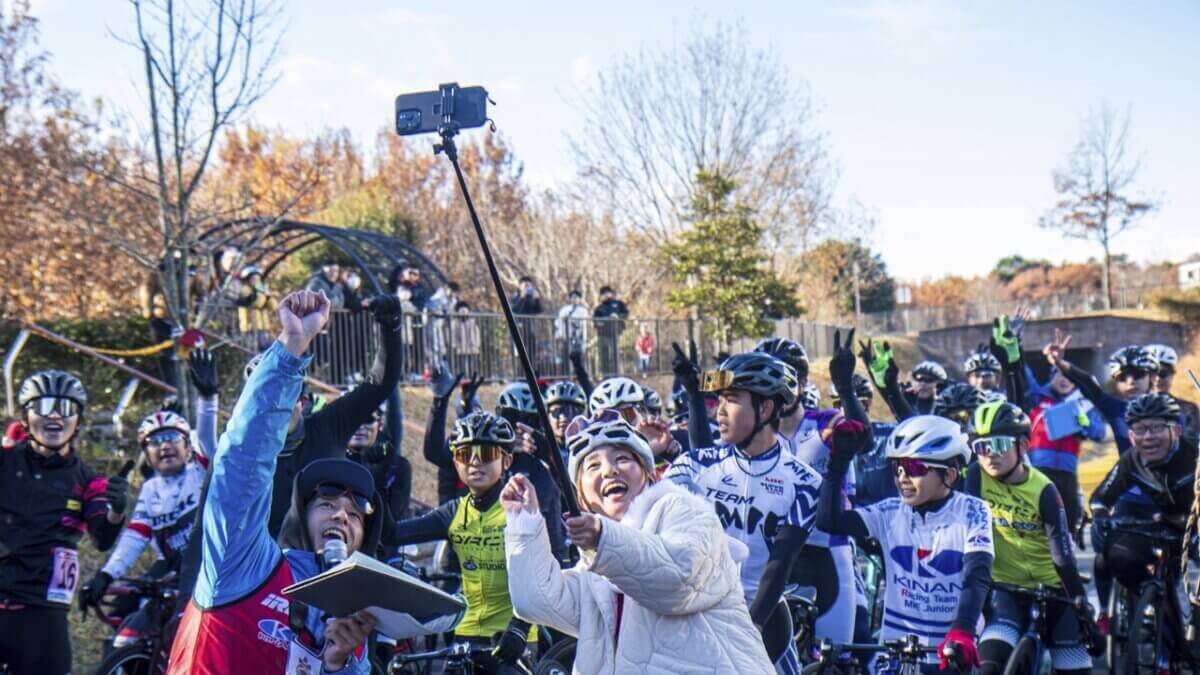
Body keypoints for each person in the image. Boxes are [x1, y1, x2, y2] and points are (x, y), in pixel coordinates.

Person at [167, 289, 457, 674]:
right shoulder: (240, 565)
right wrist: (292, 346)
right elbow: (242, 460)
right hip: (258, 558)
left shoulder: (346, 619)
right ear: (300, 514)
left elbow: (379, 385)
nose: (341, 515)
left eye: (356, 514)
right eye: (327, 503)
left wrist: (339, 663)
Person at [501, 412, 774, 674]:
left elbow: (677, 578)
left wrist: (603, 539)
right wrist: (524, 522)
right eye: (593, 466)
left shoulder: (682, 509)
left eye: (622, 458)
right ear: (581, 498)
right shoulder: (596, 569)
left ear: (649, 474)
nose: (609, 470)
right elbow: (533, 601)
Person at [665, 352, 820, 674]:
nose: (719, 411)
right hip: (698, 618)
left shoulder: (804, 482)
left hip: (764, 621)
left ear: (765, 409)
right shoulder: (693, 465)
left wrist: (750, 630)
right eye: (719, 400)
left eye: (732, 400)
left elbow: (780, 564)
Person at [816, 415, 991, 673]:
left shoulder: (973, 511)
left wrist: (963, 629)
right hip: (896, 651)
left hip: (952, 648)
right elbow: (830, 522)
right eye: (897, 467)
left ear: (950, 474)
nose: (902, 477)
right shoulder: (889, 512)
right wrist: (838, 463)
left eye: (915, 468)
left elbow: (977, 575)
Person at [0, 370, 129, 674]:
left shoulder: (88, 481)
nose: (55, 415)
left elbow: (102, 538)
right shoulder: (5, 461)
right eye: (44, 406)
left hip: (44, 612)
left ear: (78, 420)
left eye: (66, 407)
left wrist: (117, 510)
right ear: (26, 417)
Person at [245, 293, 404, 537]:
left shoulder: (328, 426)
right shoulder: (239, 453)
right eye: (263, 405)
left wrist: (390, 328)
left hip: (332, 551)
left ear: (301, 400)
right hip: (266, 557)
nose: (274, 412)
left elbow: (380, 383)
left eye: (283, 401)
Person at [394, 413, 539, 673]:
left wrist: (519, 628)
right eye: (464, 454)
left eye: (486, 453)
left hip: (513, 635)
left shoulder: (520, 508)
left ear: (507, 460)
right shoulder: (454, 512)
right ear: (455, 461)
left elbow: (538, 576)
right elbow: (392, 535)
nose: (474, 461)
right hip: (466, 633)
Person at [962, 400, 1093, 675]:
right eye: (981, 447)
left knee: (1075, 667)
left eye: (999, 445)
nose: (990, 455)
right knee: (989, 667)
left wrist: (1080, 603)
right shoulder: (976, 476)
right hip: (1006, 589)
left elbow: (1062, 555)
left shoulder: (1044, 490)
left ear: (1022, 445)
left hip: (1054, 590)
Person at [79, 403, 216, 647]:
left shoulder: (202, 472)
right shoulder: (151, 489)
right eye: (155, 441)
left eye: (172, 437)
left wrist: (207, 400)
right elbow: (134, 538)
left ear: (188, 446)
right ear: (147, 455)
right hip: (173, 567)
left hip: (211, 565)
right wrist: (105, 575)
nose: (164, 445)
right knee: (123, 619)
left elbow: (206, 437)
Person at [1088, 392, 1197, 636]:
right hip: (1163, 525)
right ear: (1131, 436)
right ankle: (1146, 605)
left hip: (1194, 525)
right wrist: (1100, 516)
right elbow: (1101, 496)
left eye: (1157, 427)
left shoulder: (1194, 455)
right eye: (1140, 429)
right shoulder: (1132, 459)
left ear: (1176, 430)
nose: (1148, 436)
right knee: (1112, 553)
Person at [1044, 333, 1154, 454]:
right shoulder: (1116, 408)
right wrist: (1059, 362)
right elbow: (1088, 383)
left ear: (1152, 377)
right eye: (1122, 377)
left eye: (1138, 374)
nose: (1130, 382)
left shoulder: (1168, 406)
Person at [1146, 343, 1200, 446]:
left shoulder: (1188, 409)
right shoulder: (1127, 408)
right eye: (1151, 374)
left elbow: (1191, 443)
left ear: (1172, 375)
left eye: (1163, 373)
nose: (1157, 379)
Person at [593, 286, 629, 376]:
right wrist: (603, 321)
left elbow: (625, 314)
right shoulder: (599, 308)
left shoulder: (618, 304)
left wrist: (617, 316)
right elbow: (595, 321)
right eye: (604, 294)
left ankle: (615, 374)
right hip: (602, 335)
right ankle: (605, 375)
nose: (606, 295)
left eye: (608, 293)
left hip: (615, 334)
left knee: (614, 355)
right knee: (603, 356)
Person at [555, 290, 589, 363]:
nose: (574, 299)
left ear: (580, 299)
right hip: (566, 337)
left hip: (578, 338)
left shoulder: (583, 310)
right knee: (565, 358)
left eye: (577, 297)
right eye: (573, 297)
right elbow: (558, 322)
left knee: (577, 358)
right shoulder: (565, 309)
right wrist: (559, 335)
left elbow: (583, 324)